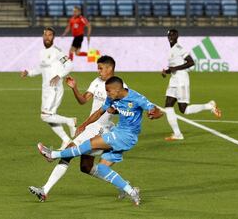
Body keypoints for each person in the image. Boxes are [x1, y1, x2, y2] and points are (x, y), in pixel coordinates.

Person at [37, 76, 164, 206]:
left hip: (126, 136)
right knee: (102, 168)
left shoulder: (137, 98)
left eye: (109, 91)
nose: (107, 94)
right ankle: (132, 192)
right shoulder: (112, 97)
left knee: (89, 144)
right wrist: (84, 124)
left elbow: (157, 111)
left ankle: (52, 154)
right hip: (118, 133)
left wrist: (154, 114)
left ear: (117, 89)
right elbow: (99, 112)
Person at [29, 56, 128, 202]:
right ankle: (123, 186)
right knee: (86, 167)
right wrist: (74, 87)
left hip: (101, 129)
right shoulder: (96, 82)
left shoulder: (120, 86)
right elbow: (83, 100)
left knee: (68, 152)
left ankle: (46, 182)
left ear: (110, 68)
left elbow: (127, 108)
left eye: (101, 68)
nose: (98, 71)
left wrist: (116, 111)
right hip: (91, 125)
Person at [21, 27, 76, 148]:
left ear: (53, 37)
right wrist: (29, 73)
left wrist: (58, 76)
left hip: (54, 89)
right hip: (46, 89)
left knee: (45, 116)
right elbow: (41, 68)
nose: (47, 37)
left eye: (50, 35)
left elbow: (70, 65)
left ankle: (70, 121)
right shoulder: (42, 52)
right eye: (45, 35)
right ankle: (66, 140)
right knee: (50, 117)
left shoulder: (57, 51)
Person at [162, 29, 222, 141]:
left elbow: (191, 62)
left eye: (173, 35)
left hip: (181, 80)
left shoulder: (179, 48)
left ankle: (209, 106)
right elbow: (174, 66)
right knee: (168, 105)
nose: (171, 36)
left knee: (184, 110)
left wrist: (175, 68)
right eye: (170, 35)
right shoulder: (171, 50)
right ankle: (177, 134)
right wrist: (167, 71)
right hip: (174, 80)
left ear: (177, 37)